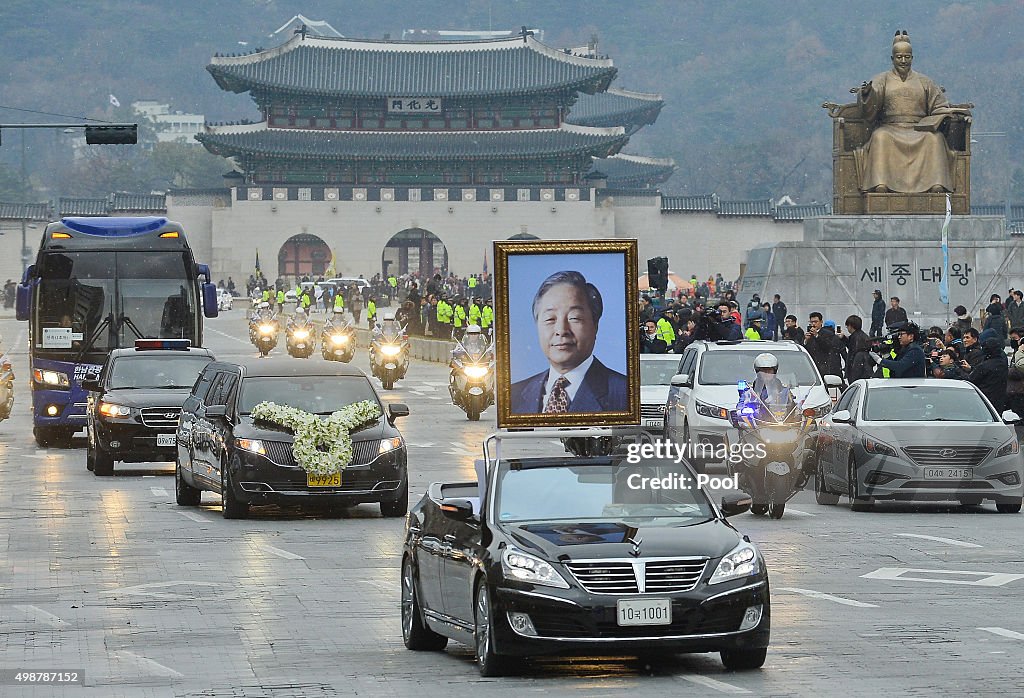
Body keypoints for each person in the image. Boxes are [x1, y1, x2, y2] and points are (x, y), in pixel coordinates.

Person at [857, 31, 963, 194]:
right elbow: (871, 104)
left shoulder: (925, 81)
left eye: (907, 57)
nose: (903, 61)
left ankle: (935, 184)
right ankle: (881, 184)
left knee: (935, 139)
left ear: (912, 58)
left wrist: (947, 113)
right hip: (890, 127)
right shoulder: (882, 79)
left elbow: (939, 106)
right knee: (880, 137)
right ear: (892, 59)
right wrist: (867, 93)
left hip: (919, 129)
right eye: (899, 57)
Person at [510, 271, 628, 414]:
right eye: (550, 319)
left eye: (574, 318)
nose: (561, 330)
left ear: (595, 325)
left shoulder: (624, 393)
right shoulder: (513, 395)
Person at [966, 338, 1009, 412]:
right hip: (999, 401)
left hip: (983, 400)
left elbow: (971, 381)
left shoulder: (984, 366)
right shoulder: (1002, 364)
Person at [843, 315, 873, 383]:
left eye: (847, 326)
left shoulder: (856, 338)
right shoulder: (863, 336)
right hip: (865, 371)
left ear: (851, 326)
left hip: (858, 373)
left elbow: (854, 353)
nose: (847, 328)